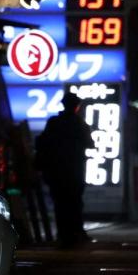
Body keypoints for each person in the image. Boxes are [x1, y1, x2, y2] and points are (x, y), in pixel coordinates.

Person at [35, 93, 93, 248]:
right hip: (75, 170)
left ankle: (63, 233)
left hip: (56, 170)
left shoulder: (54, 123)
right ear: (77, 106)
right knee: (75, 201)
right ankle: (76, 231)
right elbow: (90, 143)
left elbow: (42, 143)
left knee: (60, 203)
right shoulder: (79, 124)